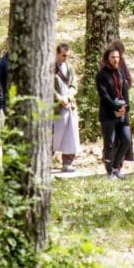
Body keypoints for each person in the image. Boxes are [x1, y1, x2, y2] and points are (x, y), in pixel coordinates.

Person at [96, 44, 131, 179]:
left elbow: (124, 91)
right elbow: (104, 96)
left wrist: (126, 107)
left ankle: (116, 167)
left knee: (126, 140)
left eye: (117, 57)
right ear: (107, 58)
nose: (115, 60)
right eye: (112, 57)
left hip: (122, 113)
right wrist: (116, 108)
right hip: (108, 114)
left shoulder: (120, 72)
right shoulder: (101, 75)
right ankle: (109, 170)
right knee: (109, 143)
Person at [52, 44, 81, 172]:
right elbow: (47, 86)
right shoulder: (49, 68)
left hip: (69, 105)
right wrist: (59, 98)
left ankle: (67, 163)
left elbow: (74, 84)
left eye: (67, 56)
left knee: (71, 134)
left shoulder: (69, 67)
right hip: (55, 107)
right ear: (57, 53)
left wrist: (69, 97)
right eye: (63, 55)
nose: (65, 58)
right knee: (53, 135)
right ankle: (46, 161)